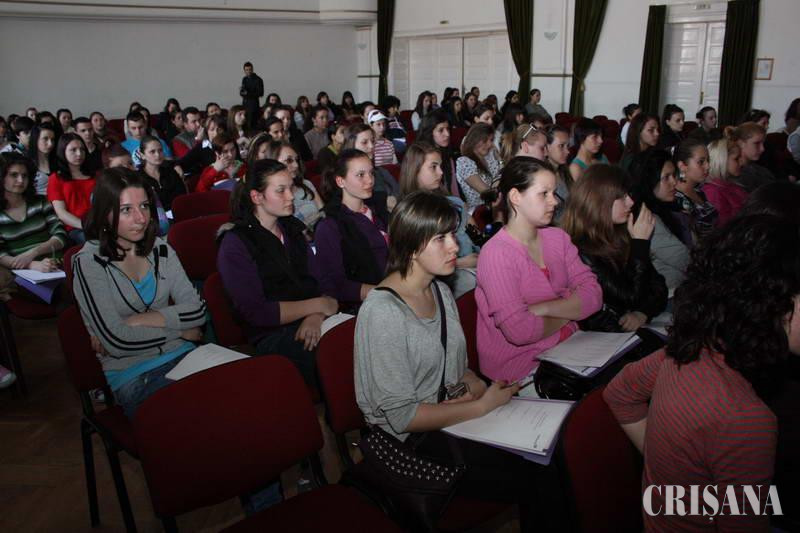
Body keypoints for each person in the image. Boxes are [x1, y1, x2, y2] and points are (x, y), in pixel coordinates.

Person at [355, 190, 553, 533]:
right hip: (410, 446)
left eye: (452, 235)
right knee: (536, 476)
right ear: (412, 247)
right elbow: (403, 417)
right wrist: (481, 406)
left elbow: (457, 372)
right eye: (441, 239)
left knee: (548, 455)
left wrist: (475, 385)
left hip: (450, 421)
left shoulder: (440, 291)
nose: (455, 247)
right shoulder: (383, 313)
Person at [604, 213, 799, 532]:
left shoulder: (693, 350)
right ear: (775, 306)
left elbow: (620, 393)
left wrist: (675, 474)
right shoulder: (745, 419)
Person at [72, 168, 207, 417]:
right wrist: (180, 331)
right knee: (202, 415)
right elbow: (117, 341)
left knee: (243, 396)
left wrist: (138, 320)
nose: (141, 218)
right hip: (135, 375)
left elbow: (197, 311)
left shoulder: (161, 249)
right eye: (126, 210)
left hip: (186, 356)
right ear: (104, 214)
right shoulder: (89, 262)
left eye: (144, 206)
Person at [476, 157, 602, 383]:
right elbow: (520, 331)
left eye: (553, 193)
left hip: (569, 350)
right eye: (544, 194)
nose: (554, 202)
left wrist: (543, 308)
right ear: (516, 197)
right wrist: (569, 308)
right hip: (521, 370)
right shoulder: (495, 254)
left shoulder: (558, 238)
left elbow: (594, 296)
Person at [217, 159, 337, 386]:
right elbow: (257, 312)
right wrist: (319, 305)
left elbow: (324, 281)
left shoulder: (292, 228)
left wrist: (316, 315)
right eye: (281, 190)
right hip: (273, 334)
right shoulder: (235, 243)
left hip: (314, 319)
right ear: (257, 197)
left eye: (291, 188)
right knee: (335, 356)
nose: (291, 196)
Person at [561, 164, 668, 332]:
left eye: (628, 195)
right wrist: (640, 244)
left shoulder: (620, 232)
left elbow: (659, 287)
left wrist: (643, 313)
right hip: (605, 338)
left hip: (632, 331)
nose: (630, 202)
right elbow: (629, 298)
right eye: (622, 197)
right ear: (600, 201)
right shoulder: (579, 249)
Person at [399, 141, 478, 297]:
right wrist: (461, 263)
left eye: (440, 166)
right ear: (415, 170)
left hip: (468, 259)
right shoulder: (409, 213)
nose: (441, 172)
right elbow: (413, 261)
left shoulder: (450, 201)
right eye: (433, 167)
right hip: (443, 274)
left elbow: (470, 232)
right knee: (473, 281)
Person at [315, 149, 388, 307]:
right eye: (360, 175)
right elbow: (336, 285)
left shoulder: (380, 211)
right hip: (367, 304)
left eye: (371, 173)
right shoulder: (330, 227)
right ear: (340, 181)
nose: (370, 180)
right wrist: (386, 293)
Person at [0, 152, 66, 300]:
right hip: (23, 274)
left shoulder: (40, 202)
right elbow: (1, 255)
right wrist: (31, 264)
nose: (20, 180)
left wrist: (33, 253)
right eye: (14, 175)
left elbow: (60, 235)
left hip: (57, 265)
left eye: (25, 175)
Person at [629, 150, 689, 290]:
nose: (674, 182)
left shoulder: (666, 207)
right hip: (671, 293)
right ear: (649, 181)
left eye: (673, 175)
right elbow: (684, 259)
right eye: (666, 177)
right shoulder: (646, 219)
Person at [261, 140, 324, 231]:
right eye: (289, 160)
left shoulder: (306, 184)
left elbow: (323, 211)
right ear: (274, 163)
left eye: (296, 160)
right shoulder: (272, 198)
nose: (296, 165)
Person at [47, 133, 96, 244]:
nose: (79, 154)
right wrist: (85, 226)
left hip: (98, 223)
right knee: (94, 241)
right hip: (75, 228)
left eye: (82, 149)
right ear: (63, 151)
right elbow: (61, 213)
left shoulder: (95, 175)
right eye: (73, 150)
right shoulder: (56, 178)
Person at [673, 138, 717, 245]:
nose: (708, 166)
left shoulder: (699, 191)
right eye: (701, 162)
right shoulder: (678, 199)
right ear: (682, 166)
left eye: (708, 160)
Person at [456, 123, 503, 213]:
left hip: (497, 207)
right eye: (485, 140)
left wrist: (500, 159)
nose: (489, 144)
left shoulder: (490, 156)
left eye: (491, 140)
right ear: (474, 140)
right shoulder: (464, 162)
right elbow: (488, 193)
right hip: (479, 212)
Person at [703, 135, 748, 226]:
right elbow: (724, 226)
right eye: (736, 159)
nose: (742, 162)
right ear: (722, 160)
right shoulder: (712, 191)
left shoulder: (730, 183)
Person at [137, 135, 186, 212]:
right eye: (152, 152)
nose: (158, 155)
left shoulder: (170, 170)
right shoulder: (138, 178)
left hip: (178, 211)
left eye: (160, 150)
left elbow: (182, 195)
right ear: (142, 155)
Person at [419, 110, 459, 198]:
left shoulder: (448, 154)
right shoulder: (421, 157)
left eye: (448, 129)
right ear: (429, 132)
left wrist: (459, 203)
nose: (447, 134)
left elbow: (453, 189)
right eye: (441, 130)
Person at [731, 121, 774, 192]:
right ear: (741, 143)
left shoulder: (763, 171)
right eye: (757, 143)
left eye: (763, 143)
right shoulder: (736, 175)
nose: (762, 149)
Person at [545, 125, 573, 221]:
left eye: (568, 146)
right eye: (561, 146)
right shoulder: (543, 178)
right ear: (546, 149)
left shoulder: (564, 172)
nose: (567, 151)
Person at [27, 124, 57, 195]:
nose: (50, 144)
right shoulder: (27, 163)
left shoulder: (58, 161)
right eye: (45, 139)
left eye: (52, 140)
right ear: (35, 139)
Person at [240, 61, 264, 130]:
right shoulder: (244, 79)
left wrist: (247, 93)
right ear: (244, 71)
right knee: (245, 124)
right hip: (245, 105)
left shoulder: (258, 80)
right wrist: (242, 92)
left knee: (253, 124)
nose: (248, 71)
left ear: (252, 69)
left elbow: (261, 93)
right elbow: (243, 92)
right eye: (246, 70)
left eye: (250, 69)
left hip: (253, 105)